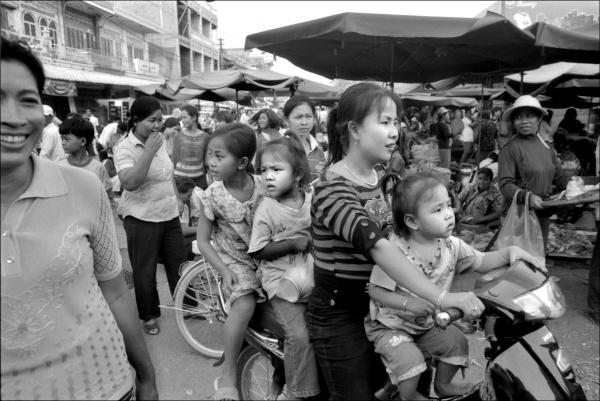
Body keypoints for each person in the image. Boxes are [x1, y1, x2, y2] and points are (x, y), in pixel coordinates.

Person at [307, 82, 487, 400]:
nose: (395, 131)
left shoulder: (382, 178)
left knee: (418, 377)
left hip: (385, 306)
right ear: (354, 129)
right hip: (341, 312)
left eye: (396, 122)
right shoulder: (332, 189)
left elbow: (411, 234)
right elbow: (379, 246)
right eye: (385, 122)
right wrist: (442, 298)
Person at [1, 35, 157, 400]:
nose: (12, 117)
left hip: (105, 383)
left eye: (27, 100)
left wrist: (146, 376)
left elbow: (115, 291)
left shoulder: (83, 186)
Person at [365, 173, 544, 400]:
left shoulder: (451, 245)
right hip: (390, 327)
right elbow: (375, 291)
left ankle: (443, 385)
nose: (449, 214)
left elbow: (482, 261)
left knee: (456, 341)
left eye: (448, 205)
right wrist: (408, 303)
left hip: (427, 324)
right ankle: (407, 397)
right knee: (411, 362)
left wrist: (509, 253)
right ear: (412, 221)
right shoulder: (395, 252)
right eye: (437, 210)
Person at [195, 123, 266, 400]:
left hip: (266, 257)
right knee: (246, 302)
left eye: (218, 156)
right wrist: (224, 271)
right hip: (234, 261)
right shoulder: (211, 195)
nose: (210, 162)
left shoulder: (264, 185)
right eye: (210, 155)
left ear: (243, 162)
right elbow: (203, 241)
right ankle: (228, 373)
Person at [249, 137, 320, 400]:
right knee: (299, 336)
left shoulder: (312, 200)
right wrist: (292, 244)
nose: (268, 176)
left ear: (299, 173)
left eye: (276, 170)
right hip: (280, 284)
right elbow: (257, 250)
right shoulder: (267, 210)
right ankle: (297, 392)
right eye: (264, 170)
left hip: (313, 278)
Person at [114, 96, 187, 336]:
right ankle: (148, 315)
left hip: (169, 215)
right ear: (135, 120)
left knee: (179, 264)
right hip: (141, 218)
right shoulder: (124, 148)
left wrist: (177, 197)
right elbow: (130, 182)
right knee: (144, 271)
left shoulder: (160, 141)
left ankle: (185, 305)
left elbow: (167, 174)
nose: (157, 125)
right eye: (151, 120)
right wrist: (148, 150)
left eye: (159, 120)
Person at [498, 95, 562, 249]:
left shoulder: (547, 148)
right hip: (519, 215)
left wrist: (577, 189)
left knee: (538, 261)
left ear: (539, 119)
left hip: (543, 214)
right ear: (513, 122)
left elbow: (559, 177)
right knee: (519, 264)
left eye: (530, 116)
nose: (524, 121)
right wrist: (528, 197)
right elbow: (505, 184)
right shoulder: (510, 149)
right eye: (518, 117)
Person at [57, 117, 112, 198]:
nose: (63, 143)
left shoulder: (98, 168)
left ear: (83, 141)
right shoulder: (58, 167)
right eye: (62, 139)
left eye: (67, 139)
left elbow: (106, 194)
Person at [282, 95, 326, 182]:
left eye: (309, 116)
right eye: (298, 117)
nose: (304, 122)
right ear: (286, 120)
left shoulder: (318, 148)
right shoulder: (278, 148)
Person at [172, 105, 210, 189]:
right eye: (181, 118)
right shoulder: (179, 136)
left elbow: (205, 159)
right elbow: (175, 159)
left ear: (194, 117)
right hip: (180, 180)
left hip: (199, 180)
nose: (182, 121)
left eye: (185, 117)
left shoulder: (205, 137)